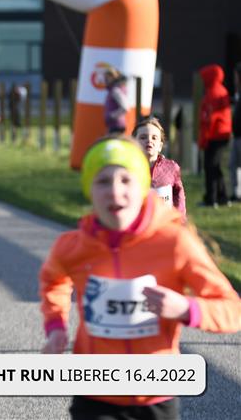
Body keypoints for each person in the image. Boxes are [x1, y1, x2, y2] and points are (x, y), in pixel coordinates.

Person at [39, 136, 240, 420]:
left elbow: (232, 309)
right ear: (89, 189)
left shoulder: (174, 242)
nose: (115, 191)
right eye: (103, 181)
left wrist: (187, 308)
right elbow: (53, 280)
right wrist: (55, 326)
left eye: (126, 180)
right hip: (95, 395)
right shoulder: (73, 246)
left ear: (144, 187)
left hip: (155, 397)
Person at [132, 117, 186, 218]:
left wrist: (179, 219)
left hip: (163, 221)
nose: (149, 140)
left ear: (160, 146)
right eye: (143, 137)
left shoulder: (171, 168)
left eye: (154, 138)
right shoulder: (127, 168)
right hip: (137, 221)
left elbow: (179, 196)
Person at [198, 64, 232, 208]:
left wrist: (204, 138)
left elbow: (208, 119)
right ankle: (222, 197)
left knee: (210, 166)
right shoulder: (221, 90)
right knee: (216, 166)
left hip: (214, 135)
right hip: (222, 135)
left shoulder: (212, 93)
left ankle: (211, 199)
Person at [102, 66, 129, 134]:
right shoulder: (112, 90)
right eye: (105, 78)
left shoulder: (115, 90)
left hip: (117, 125)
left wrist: (112, 116)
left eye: (107, 77)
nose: (105, 80)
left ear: (113, 77)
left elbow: (125, 107)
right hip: (113, 125)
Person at [228, 62, 241, 202]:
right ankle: (237, 194)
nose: (234, 79)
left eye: (236, 76)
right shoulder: (238, 94)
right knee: (233, 165)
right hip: (237, 136)